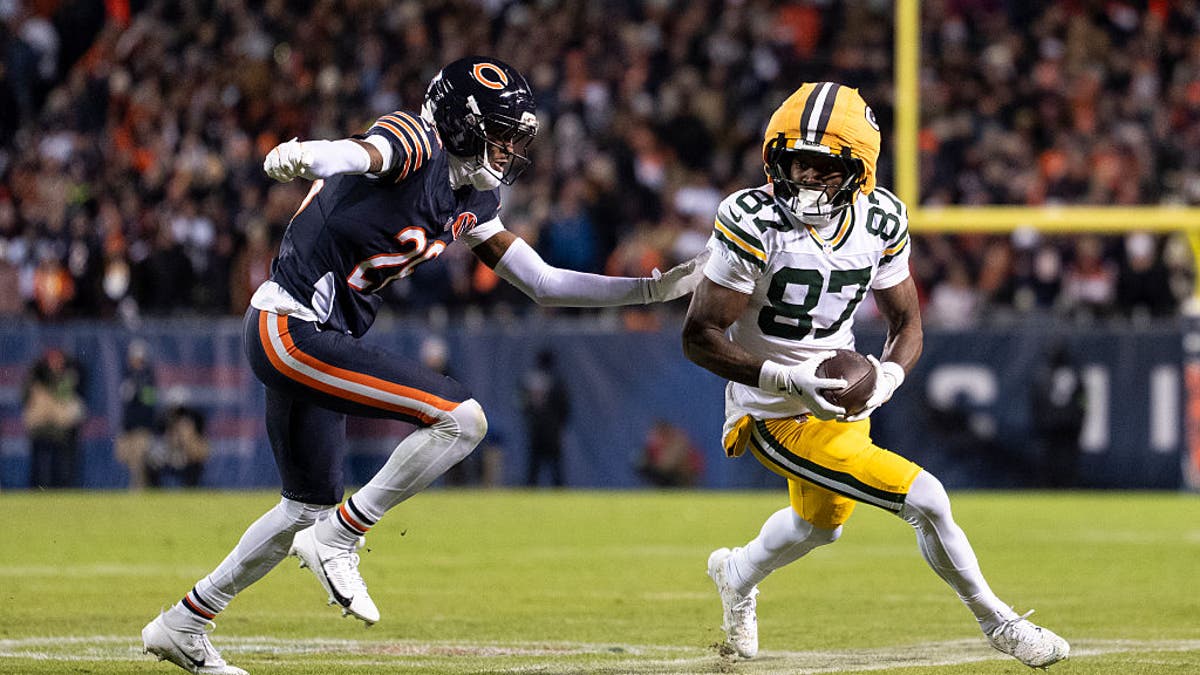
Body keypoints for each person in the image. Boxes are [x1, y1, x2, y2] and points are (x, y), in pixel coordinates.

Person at [141, 56, 704, 675]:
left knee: (302, 508)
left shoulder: (469, 194)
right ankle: (345, 533)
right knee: (461, 420)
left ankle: (185, 622)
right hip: (292, 328)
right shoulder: (419, 140)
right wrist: (306, 155)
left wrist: (647, 292)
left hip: (311, 333)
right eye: (502, 131)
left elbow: (542, 282)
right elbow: (362, 154)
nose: (512, 148)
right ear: (463, 124)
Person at [680, 82, 1069, 668]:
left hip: (837, 400)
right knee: (929, 499)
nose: (805, 179)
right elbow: (698, 337)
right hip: (772, 410)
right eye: (794, 164)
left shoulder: (881, 220)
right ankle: (1001, 624)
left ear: (859, 170)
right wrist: (788, 381)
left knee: (820, 526)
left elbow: (907, 322)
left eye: (823, 167)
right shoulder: (751, 218)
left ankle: (737, 573)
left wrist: (887, 377)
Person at [22, 347, 85, 488]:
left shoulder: (66, 378)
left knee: (61, 463)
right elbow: (25, 398)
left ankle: (60, 489)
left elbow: (69, 398)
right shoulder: (37, 377)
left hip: (59, 429)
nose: (56, 363)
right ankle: (37, 489)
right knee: (39, 463)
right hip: (40, 427)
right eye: (53, 360)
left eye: (58, 360)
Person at [1029, 342, 1086, 488]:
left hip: (1052, 423)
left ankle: (1052, 486)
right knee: (1065, 459)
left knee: (1052, 458)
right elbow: (1083, 400)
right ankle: (1064, 485)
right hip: (1068, 423)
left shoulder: (1044, 374)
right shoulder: (1074, 374)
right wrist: (1080, 419)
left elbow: (1037, 401)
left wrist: (1039, 421)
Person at [521, 349, 570, 487]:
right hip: (552, 428)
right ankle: (559, 492)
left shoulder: (530, 380)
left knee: (534, 466)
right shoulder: (556, 380)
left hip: (535, 427)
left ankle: (530, 492)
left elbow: (521, 402)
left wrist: (529, 417)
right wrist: (559, 424)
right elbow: (564, 406)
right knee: (555, 466)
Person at [115, 340, 158, 490]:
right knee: (124, 456)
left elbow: (149, 401)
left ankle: (138, 489)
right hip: (128, 425)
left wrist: (138, 391)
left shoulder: (149, 378)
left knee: (138, 460)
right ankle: (136, 486)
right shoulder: (127, 375)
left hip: (142, 426)